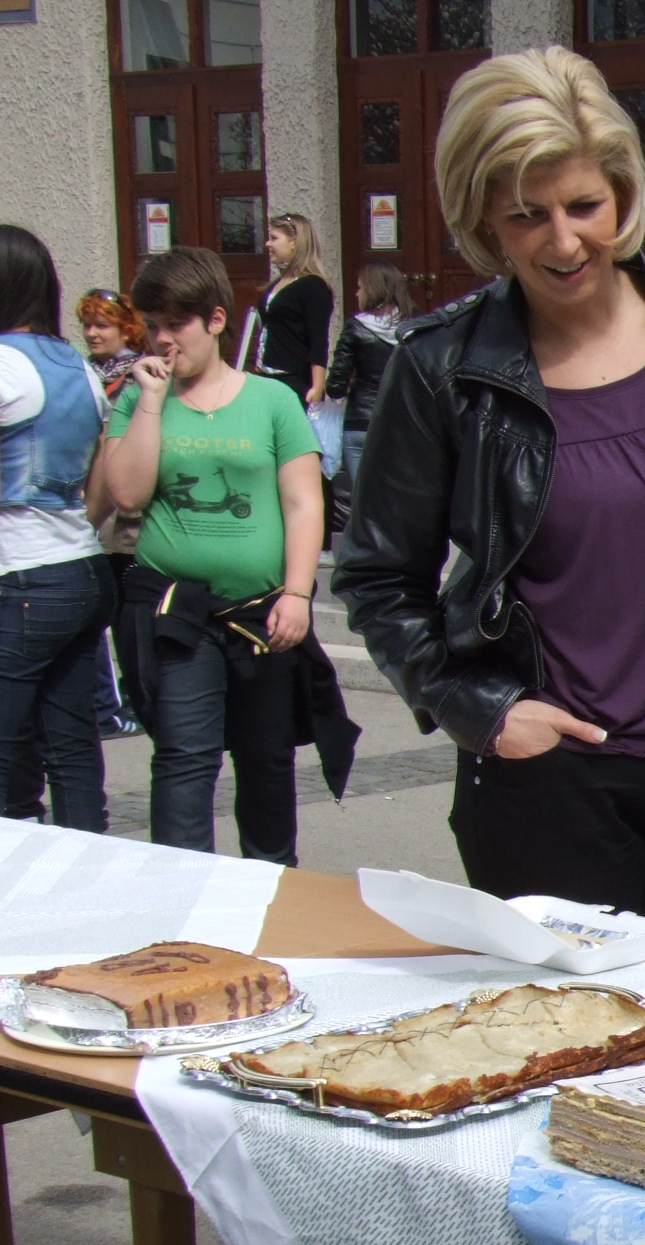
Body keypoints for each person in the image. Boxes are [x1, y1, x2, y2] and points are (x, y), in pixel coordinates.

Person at [339, 46, 645, 945]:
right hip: (551, 787)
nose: (562, 243)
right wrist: (478, 711)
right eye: (528, 215)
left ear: (624, 194)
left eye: (584, 206)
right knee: (567, 1027)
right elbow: (377, 577)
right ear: (485, 217)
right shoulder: (444, 367)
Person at [99, 245, 336, 861]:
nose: (162, 339)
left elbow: (303, 503)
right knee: (184, 754)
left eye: (175, 324)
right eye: (152, 325)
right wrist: (150, 404)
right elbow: (127, 495)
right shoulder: (139, 398)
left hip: (261, 611)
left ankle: (271, 881)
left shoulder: (272, 400)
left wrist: (298, 592)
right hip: (177, 610)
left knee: (266, 758)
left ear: (215, 320)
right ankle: (179, 889)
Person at [0, 225, 114, 832]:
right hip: (78, 565)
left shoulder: (5, 365)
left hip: (22, 572)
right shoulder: (78, 366)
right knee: (71, 748)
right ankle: (87, 867)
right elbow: (97, 479)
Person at [323, 262, 412, 511]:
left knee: (364, 503)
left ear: (373, 290)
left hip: (360, 422)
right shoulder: (413, 329)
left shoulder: (355, 327)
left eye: (360, 287)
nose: (356, 293)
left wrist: (348, 387)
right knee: (397, 499)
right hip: (401, 422)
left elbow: (335, 385)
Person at [243, 213, 334, 404]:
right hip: (266, 376)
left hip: (292, 380)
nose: (268, 244)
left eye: (274, 238)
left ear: (294, 242)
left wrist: (317, 386)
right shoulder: (277, 283)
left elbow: (318, 339)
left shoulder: (313, 285)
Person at [78, 287, 145, 401]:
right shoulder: (80, 372)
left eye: (101, 326)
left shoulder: (143, 373)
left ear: (126, 332)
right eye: (87, 326)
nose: (91, 333)